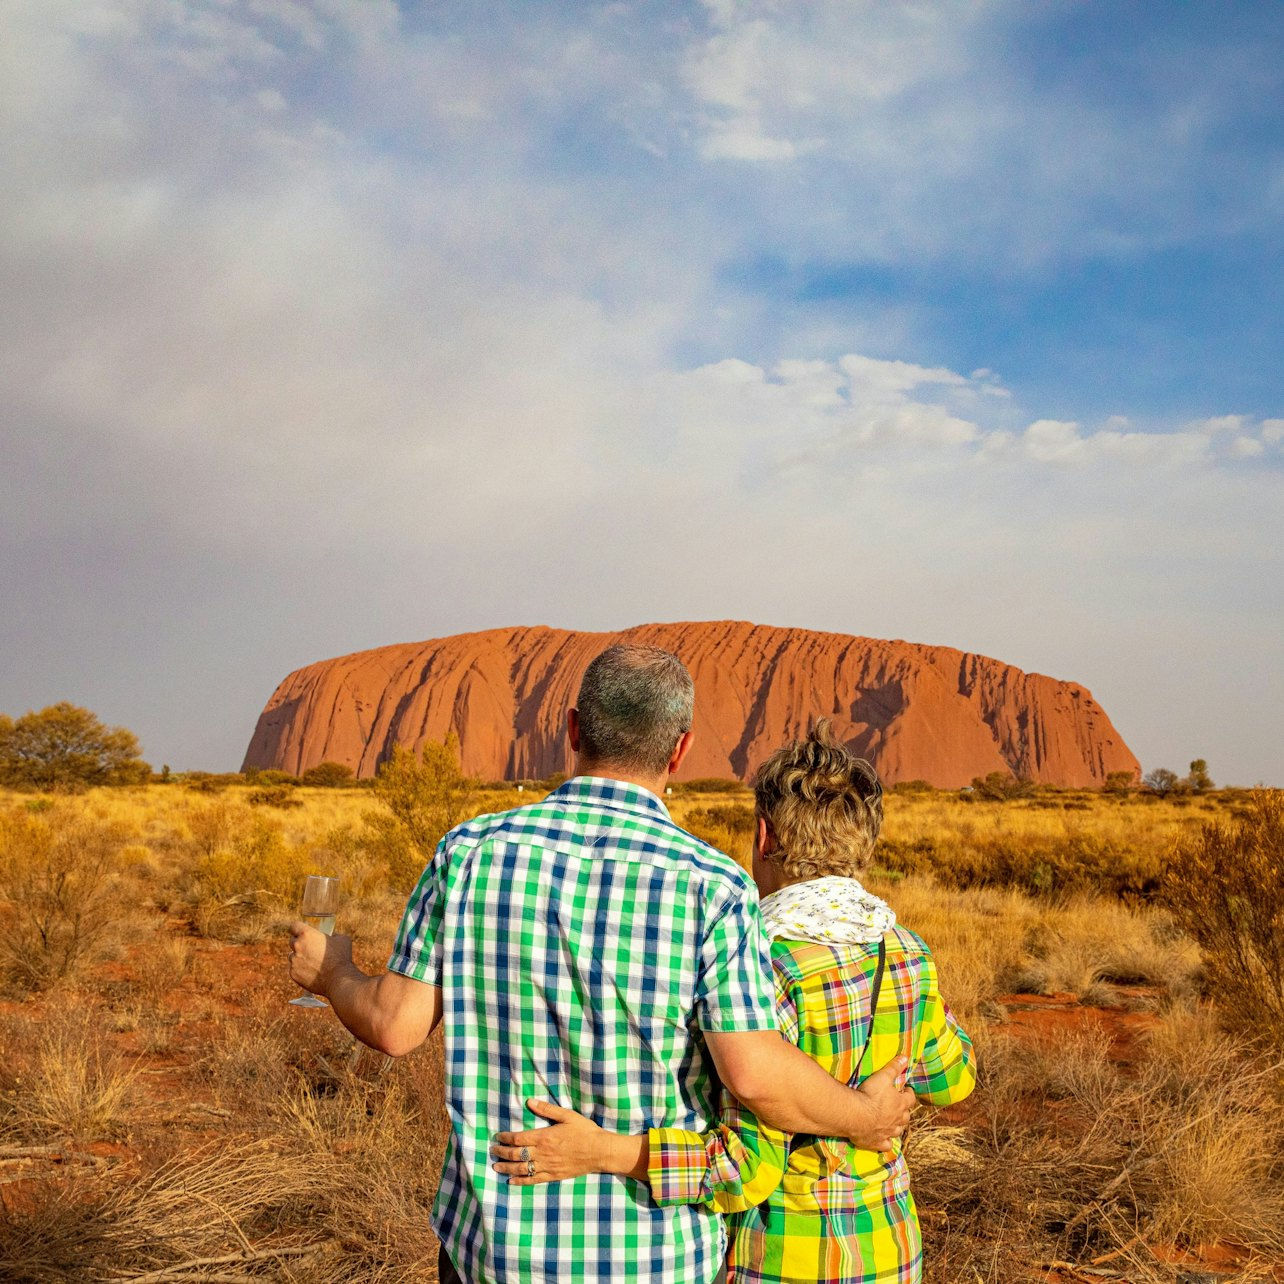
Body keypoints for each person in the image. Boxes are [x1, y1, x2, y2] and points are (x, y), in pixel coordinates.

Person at [288, 646, 913, 1284]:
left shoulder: (468, 854)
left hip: (493, 1254)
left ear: (573, 729)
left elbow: (393, 1026)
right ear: (680, 749)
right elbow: (753, 1074)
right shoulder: (713, 885)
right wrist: (866, 1117)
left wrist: (332, 972)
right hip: (649, 1259)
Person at [490, 719, 976, 1283]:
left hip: (782, 1260)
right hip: (889, 1251)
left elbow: (741, 1170)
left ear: (764, 837)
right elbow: (953, 1078)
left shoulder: (759, 963)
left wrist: (602, 1151)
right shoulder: (907, 950)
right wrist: (888, 1079)